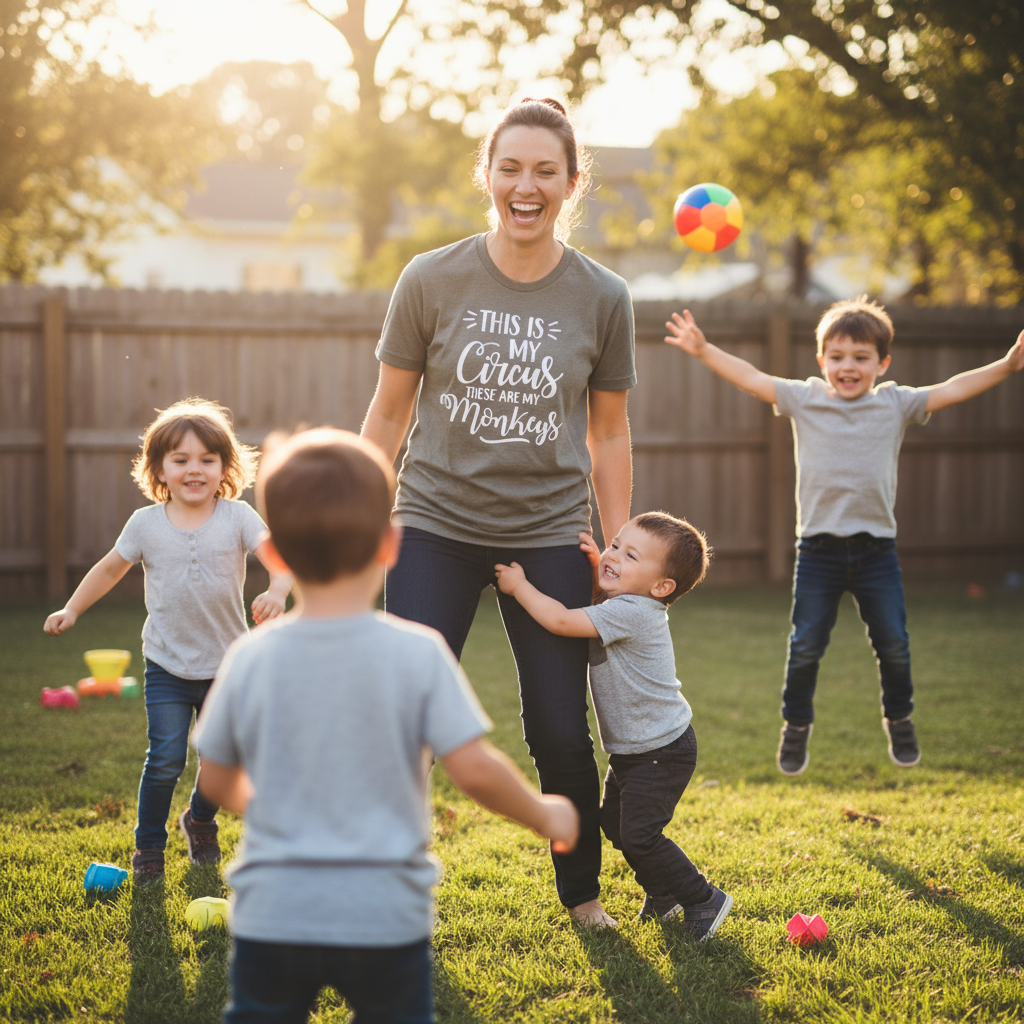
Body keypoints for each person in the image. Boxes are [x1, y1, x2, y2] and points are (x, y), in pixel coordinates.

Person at [193, 428, 579, 1024]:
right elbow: (474, 769)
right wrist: (546, 813)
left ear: (273, 556)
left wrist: (276, 807)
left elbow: (216, 778)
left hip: (274, 911)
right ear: (391, 545)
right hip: (384, 916)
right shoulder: (419, 654)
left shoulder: (250, 656)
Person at [359, 97, 635, 928]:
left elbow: (611, 433)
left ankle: (582, 896)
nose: (526, 186)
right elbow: (387, 414)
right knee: (404, 715)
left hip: (550, 534)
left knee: (558, 729)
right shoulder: (431, 278)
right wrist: (352, 516)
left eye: (545, 170)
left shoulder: (602, 295)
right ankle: (385, 883)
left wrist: (616, 552)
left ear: (571, 183)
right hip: (433, 526)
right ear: (486, 175)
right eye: (510, 167)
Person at [664, 298, 1024, 775]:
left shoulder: (896, 403)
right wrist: (705, 350)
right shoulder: (805, 397)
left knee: (894, 642)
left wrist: (1007, 365)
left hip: (876, 551)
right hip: (819, 551)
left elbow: (954, 389)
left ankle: (899, 719)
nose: (847, 367)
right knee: (806, 644)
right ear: (821, 362)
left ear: (882, 364)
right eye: (837, 357)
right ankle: (795, 728)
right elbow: (751, 378)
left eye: (860, 357)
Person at [43, 397, 292, 886]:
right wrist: (72, 607)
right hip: (167, 666)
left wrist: (278, 590)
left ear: (225, 466)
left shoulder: (238, 517)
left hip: (227, 665)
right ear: (159, 468)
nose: (194, 469)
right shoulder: (145, 524)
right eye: (180, 460)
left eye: (206, 459)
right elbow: (110, 567)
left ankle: (200, 819)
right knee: (165, 759)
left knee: (222, 761)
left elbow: (279, 560)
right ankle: (149, 848)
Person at [494, 512, 732, 938]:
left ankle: (703, 898)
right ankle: (664, 893)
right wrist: (594, 570)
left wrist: (519, 588)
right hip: (635, 751)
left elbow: (564, 621)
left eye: (630, 555)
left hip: (661, 751)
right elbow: (594, 609)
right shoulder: (625, 605)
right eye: (615, 545)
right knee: (615, 825)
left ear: (661, 588)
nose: (614, 555)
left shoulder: (635, 612)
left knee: (640, 836)